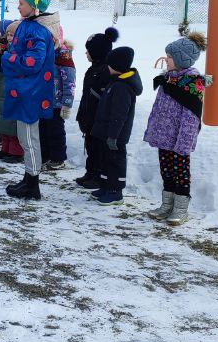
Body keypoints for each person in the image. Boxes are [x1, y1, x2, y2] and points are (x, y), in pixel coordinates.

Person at [143, 31, 210, 225]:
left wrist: (185, 141)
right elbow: (159, 108)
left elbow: (191, 118)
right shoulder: (168, 79)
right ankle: (167, 205)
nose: (166, 59)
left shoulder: (191, 84)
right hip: (165, 136)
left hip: (180, 139)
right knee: (166, 170)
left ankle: (181, 208)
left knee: (181, 172)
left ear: (182, 59)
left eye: (170, 57)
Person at [1, 0, 57, 200]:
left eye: (22, 3)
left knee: (29, 139)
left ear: (34, 6)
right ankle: (28, 177)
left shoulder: (37, 31)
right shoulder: (28, 25)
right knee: (25, 138)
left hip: (30, 93)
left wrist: (6, 58)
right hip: (24, 91)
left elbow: (32, 62)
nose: (18, 6)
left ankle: (33, 183)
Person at [88, 46, 143, 204]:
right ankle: (106, 186)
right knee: (105, 160)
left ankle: (115, 191)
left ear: (116, 65)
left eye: (110, 64)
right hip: (107, 132)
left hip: (115, 135)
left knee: (115, 162)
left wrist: (113, 135)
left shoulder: (122, 87)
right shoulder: (115, 82)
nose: (107, 66)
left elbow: (119, 114)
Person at [74, 28, 120, 188]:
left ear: (98, 52)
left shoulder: (105, 71)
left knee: (98, 148)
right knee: (90, 146)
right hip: (88, 117)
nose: (86, 53)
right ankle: (90, 172)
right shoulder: (93, 69)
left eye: (88, 51)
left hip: (98, 119)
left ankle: (98, 176)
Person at [0, 20, 24, 164]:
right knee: (2, 122)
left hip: (12, 89)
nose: (9, 37)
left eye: (12, 35)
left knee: (12, 124)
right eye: (7, 34)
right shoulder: (6, 49)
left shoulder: (20, 52)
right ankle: (5, 148)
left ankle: (16, 152)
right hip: (2, 88)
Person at [40, 27, 76, 171]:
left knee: (55, 131)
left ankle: (58, 158)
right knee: (42, 130)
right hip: (42, 101)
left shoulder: (63, 56)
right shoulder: (43, 54)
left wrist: (67, 104)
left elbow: (70, 82)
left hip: (57, 102)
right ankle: (45, 156)